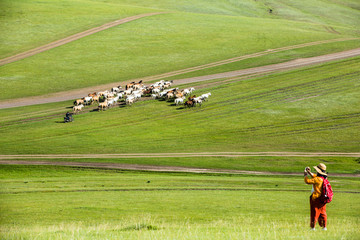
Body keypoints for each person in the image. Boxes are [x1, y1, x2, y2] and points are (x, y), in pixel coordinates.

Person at [304, 163, 328, 231]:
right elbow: (314, 176)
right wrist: (309, 172)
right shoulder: (324, 178)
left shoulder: (317, 179)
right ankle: (324, 227)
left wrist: (305, 174)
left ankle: (313, 227)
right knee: (323, 213)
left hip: (316, 198)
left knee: (314, 212)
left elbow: (307, 181)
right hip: (323, 198)